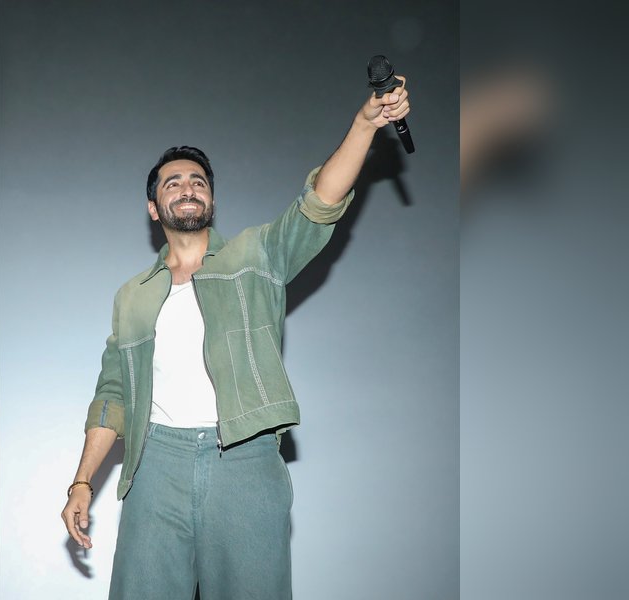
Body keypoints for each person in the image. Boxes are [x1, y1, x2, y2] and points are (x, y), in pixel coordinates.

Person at [61, 75, 410, 600]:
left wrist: (365, 124)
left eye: (198, 181)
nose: (187, 188)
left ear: (211, 201)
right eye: (172, 183)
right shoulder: (132, 296)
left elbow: (319, 202)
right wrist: (82, 481)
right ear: (154, 208)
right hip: (155, 465)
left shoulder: (255, 254)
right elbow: (112, 398)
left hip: (244, 459)